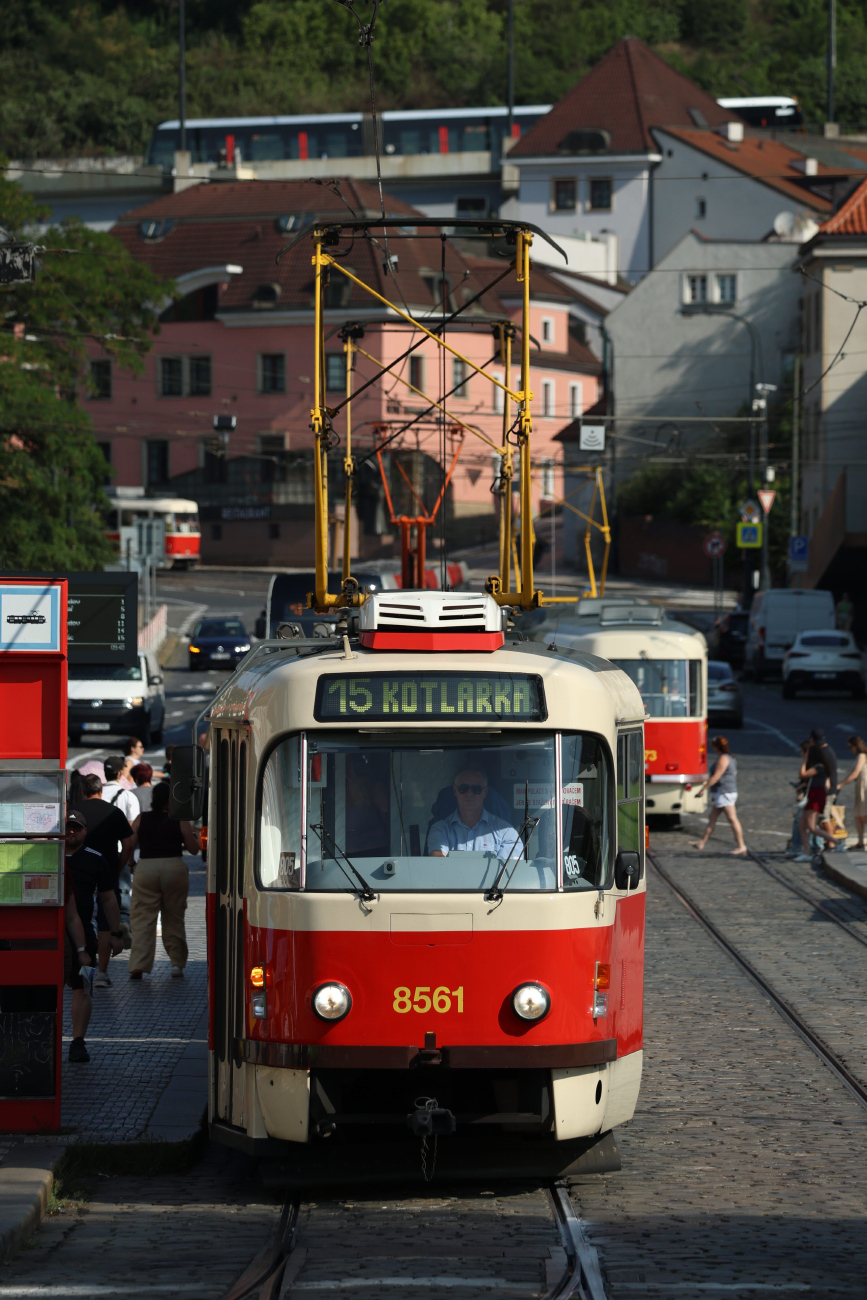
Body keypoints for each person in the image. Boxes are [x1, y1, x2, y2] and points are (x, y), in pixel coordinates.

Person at [64, 811, 123, 1063]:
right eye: (68, 827)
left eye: (76, 828)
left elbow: (108, 898)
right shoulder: (48, 856)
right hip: (52, 933)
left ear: (85, 830)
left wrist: (116, 933)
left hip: (86, 933)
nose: (72, 832)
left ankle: (78, 1041)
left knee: (84, 987)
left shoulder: (96, 860)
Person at [128, 782, 199, 980]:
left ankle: (138, 965)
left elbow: (130, 844)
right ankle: (176, 964)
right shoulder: (180, 820)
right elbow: (194, 849)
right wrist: (193, 835)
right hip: (173, 868)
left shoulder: (142, 819)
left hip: (146, 868)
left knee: (143, 918)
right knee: (174, 917)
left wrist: (130, 864)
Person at [76, 773, 135, 987]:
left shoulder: (74, 812)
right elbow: (128, 844)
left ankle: (83, 972)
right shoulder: (114, 812)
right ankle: (101, 973)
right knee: (105, 923)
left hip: (79, 874)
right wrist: (118, 868)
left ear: (83, 791)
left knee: (81, 920)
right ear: (101, 790)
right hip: (107, 874)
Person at [429, 766, 520, 860]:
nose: (469, 793)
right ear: (455, 791)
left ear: (485, 792)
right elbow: (438, 862)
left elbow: (507, 870)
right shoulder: (440, 829)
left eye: (476, 789)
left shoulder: (506, 832)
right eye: (463, 788)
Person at [690, 736, 747, 855]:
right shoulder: (730, 757)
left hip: (724, 792)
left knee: (732, 819)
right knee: (712, 818)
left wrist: (703, 789)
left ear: (717, 747)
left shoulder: (723, 759)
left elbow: (716, 776)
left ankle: (741, 846)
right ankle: (701, 842)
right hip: (723, 792)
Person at [793, 744, 841, 860]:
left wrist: (804, 761)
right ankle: (806, 852)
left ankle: (836, 842)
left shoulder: (819, 767)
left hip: (816, 797)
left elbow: (802, 774)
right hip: (813, 796)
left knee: (812, 827)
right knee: (801, 826)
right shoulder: (819, 767)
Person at [838, 735, 867, 851]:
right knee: (858, 815)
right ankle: (860, 842)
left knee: (863, 814)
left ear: (856, 746)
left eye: (850, 747)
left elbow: (855, 773)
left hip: (864, 787)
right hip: (860, 786)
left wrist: (840, 784)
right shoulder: (861, 756)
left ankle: (861, 841)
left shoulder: (861, 755)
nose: (850, 750)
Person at [811, 727, 839, 844]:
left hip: (828, 790)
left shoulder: (824, 753)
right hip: (829, 789)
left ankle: (833, 843)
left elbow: (827, 771)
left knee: (824, 818)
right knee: (822, 818)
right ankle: (830, 842)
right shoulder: (828, 751)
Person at [102, 756, 142, 831]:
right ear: (120, 773)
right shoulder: (128, 796)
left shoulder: (96, 793)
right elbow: (132, 826)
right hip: (118, 841)